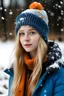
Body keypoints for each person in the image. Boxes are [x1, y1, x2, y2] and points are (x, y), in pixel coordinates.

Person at [4, 1, 64, 96]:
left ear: (42, 37)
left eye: (32, 32)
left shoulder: (57, 72)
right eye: (22, 33)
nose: (26, 38)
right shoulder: (16, 70)